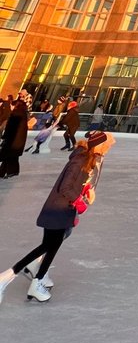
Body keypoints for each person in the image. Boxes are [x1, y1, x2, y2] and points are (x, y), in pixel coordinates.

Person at [0, 131, 115, 305]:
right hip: (58, 210)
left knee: (53, 244)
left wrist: (84, 191)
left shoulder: (87, 160)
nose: (108, 149)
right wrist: (80, 201)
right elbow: (65, 187)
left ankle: (36, 276)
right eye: (107, 146)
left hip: (63, 210)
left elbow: (77, 184)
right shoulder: (80, 161)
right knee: (49, 246)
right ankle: (8, 278)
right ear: (99, 146)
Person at [0, 98, 29, 178]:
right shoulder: (22, 113)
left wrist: (5, 136)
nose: (10, 107)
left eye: (11, 105)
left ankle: (9, 172)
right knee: (11, 157)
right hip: (18, 141)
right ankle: (7, 172)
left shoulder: (16, 114)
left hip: (13, 141)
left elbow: (10, 128)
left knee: (9, 156)